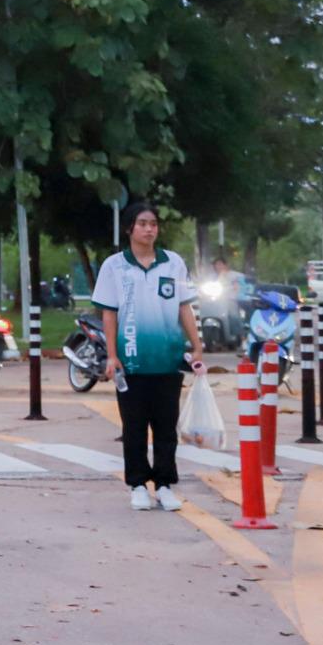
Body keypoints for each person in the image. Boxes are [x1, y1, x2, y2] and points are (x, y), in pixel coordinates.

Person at [96, 203, 206, 513]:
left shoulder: (173, 264)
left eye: (153, 224)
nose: (149, 229)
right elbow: (109, 312)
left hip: (167, 360)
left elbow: (185, 306)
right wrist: (112, 356)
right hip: (130, 361)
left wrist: (196, 345)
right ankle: (137, 485)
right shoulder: (114, 267)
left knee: (166, 427)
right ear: (130, 228)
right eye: (142, 223)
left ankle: (165, 485)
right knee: (133, 427)